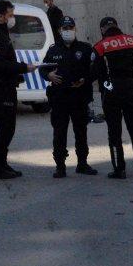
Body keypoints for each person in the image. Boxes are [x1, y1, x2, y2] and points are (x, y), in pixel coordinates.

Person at [0, 0, 39, 180]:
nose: (13, 18)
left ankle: (1, 164)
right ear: (0, 16)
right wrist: (23, 68)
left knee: (5, 128)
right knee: (5, 128)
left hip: (0, 85)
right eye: (10, 15)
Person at [92, 16, 133, 179]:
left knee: (114, 133)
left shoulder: (100, 46)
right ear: (117, 26)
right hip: (132, 91)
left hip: (110, 93)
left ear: (102, 29)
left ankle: (119, 169)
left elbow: (94, 72)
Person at [42, 16, 97, 178]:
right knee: (59, 132)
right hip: (59, 98)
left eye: (70, 28)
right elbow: (43, 69)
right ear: (60, 31)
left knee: (81, 131)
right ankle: (60, 166)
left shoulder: (85, 48)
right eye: (65, 29)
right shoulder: (53, 50)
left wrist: (85, 79)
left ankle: (82, 163)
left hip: (79, 97)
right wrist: (49, 75)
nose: (68, 31)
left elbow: (95, 69)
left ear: (75, 29)